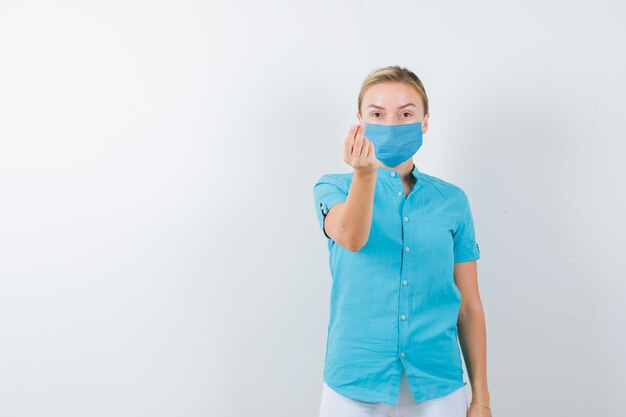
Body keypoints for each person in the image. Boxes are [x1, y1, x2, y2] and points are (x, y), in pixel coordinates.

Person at [313, 65, 493, 417]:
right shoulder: (334, 187)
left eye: (406, 114)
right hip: (353, 385)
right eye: (377, 114)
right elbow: (351, 237)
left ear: (425, 122)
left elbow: (469, 306)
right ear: (359, 122)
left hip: (438, 387)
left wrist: (481, 398)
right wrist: (364, 174)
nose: (392, 124)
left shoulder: (452, 201)